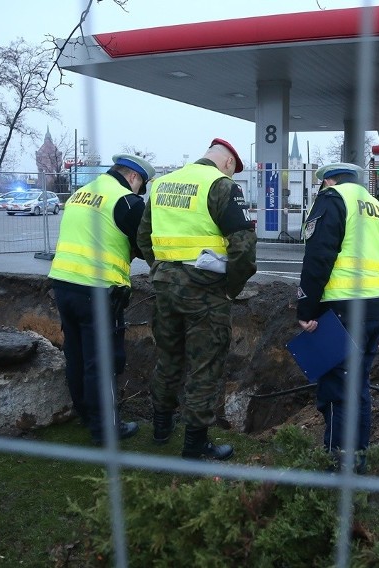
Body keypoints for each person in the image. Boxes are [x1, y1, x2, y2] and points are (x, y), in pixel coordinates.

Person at [137, 138, 257, 460]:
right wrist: (230, 288)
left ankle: (161, 430)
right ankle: (194, 446)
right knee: (205, 367)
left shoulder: (162, 184)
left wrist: (162, 268)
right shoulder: (221, 186)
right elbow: (243, 248)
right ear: (229, 163)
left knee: (168, 358)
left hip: (164, 287)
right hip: (205, 292)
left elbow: (143, 236)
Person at [296, 162, 379, 473]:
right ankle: (358, 461)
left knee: (336, 392)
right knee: (359, 387)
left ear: (328, 181)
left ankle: (336, 466)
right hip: (375, 309)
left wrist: (306, 309)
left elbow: (318, 258)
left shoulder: (333, 199)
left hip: (342, 311)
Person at [48, 153, 154, 445]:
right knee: (102, 362)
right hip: (97, 291)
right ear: (133, 177)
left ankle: (86, 414)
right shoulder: (126, 201)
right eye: (140, 184)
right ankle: (105, 428)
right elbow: (145, 246)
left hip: (63, 284)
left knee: (77, 355)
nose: (138, 191)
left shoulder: (82, 193)